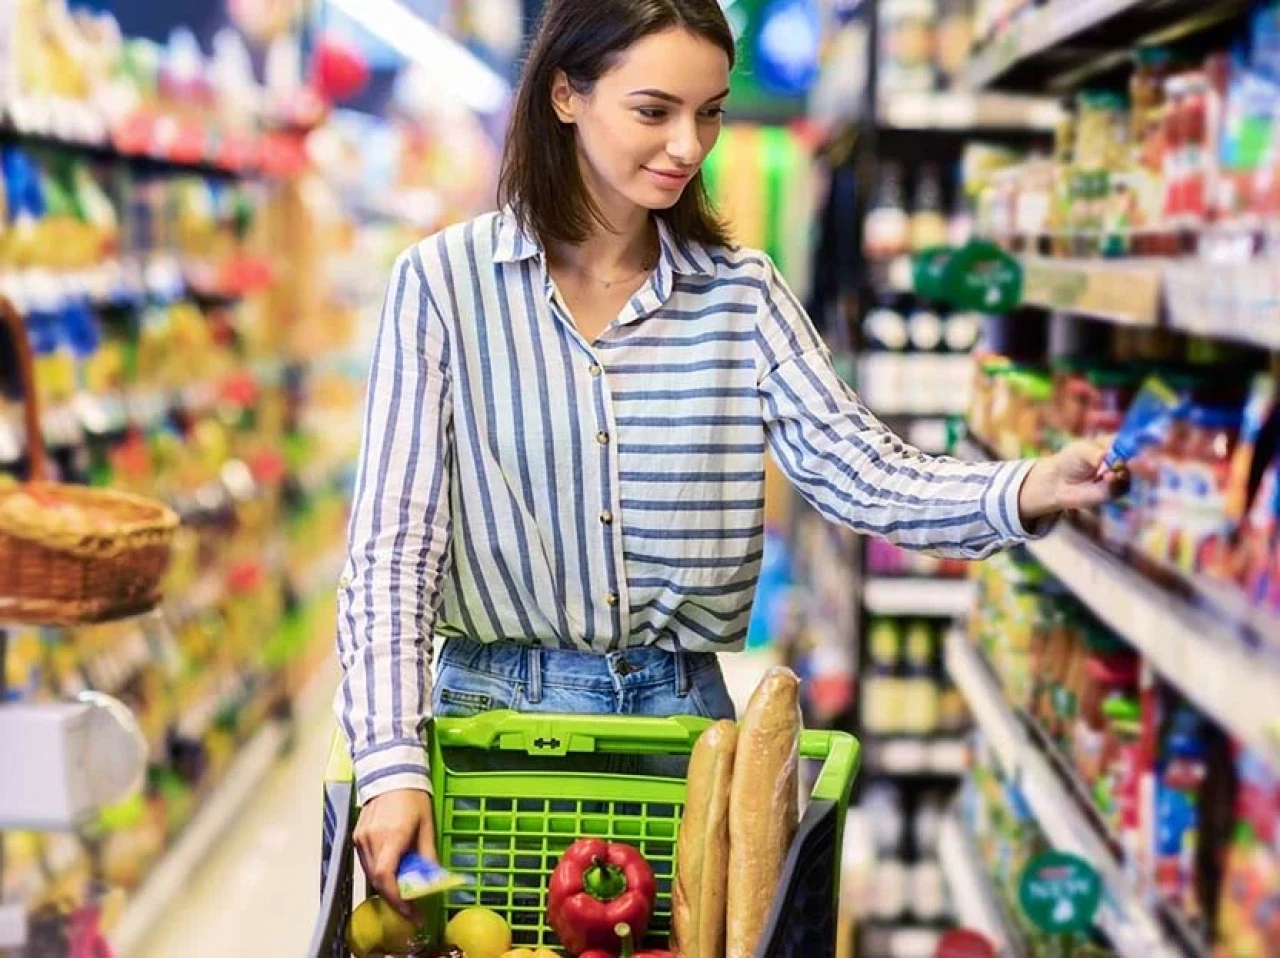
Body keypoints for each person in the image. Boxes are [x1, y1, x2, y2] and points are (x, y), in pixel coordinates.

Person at [335, 0, 1119, 919]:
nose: (688, 145)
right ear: (564, 96)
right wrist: (392, 764)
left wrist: (1026, 486)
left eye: (708, 112)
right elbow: (394, 552)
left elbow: (860, 469)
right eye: (654, 110)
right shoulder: (441, 286)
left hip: (685, 742)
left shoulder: (741, 295)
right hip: (492, 737)